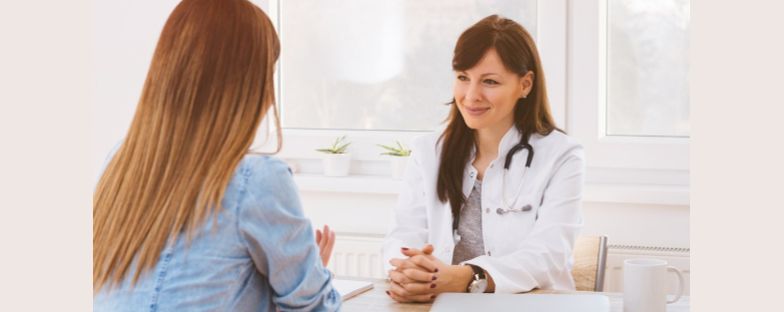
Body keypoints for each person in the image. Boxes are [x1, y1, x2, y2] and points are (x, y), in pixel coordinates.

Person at [93, 0, 341, 310]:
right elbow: (315, 308)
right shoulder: (256, 179)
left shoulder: (120, 164)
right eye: (268, 73)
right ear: (248, 84)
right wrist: (309, 275)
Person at [383, 14, 585, 303]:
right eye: (463, 78)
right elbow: (403, 234)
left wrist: (469, 277)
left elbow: (548, 255)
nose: (471, 96)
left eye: (489, 81)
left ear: (525, 84)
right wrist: (407, 271)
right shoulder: (429, 151)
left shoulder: (563, 156)